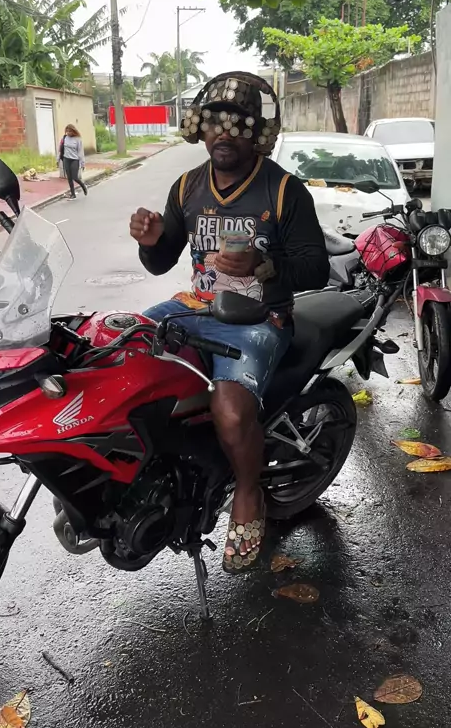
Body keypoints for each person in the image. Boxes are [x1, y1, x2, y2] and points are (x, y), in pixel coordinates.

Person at [129, 72, 329, 573]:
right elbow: (161, 260)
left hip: (258, 319)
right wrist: (151, 242)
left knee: (232, 411)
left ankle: (247, 491)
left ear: (256, 134)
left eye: (237, 126)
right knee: (123, 345)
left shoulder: (283, 190)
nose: (224, 134)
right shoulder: (187, 186)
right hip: (195, 307)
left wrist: (263, 266)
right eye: (215, 123)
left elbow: (316, 269)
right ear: (201, 128)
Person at [58, 125, 87, 200]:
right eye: (67, 131)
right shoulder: (64, 138)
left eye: (70, 131)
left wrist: (82, 163)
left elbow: (80, 152)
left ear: (73, 131)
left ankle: (83, 186)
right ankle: (73, 194)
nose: (68, 133)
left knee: (75, 177)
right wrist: (58, 159)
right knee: (69, 178)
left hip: (75, 160)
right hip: (66, 159)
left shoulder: (78, 139)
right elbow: (60, 149)